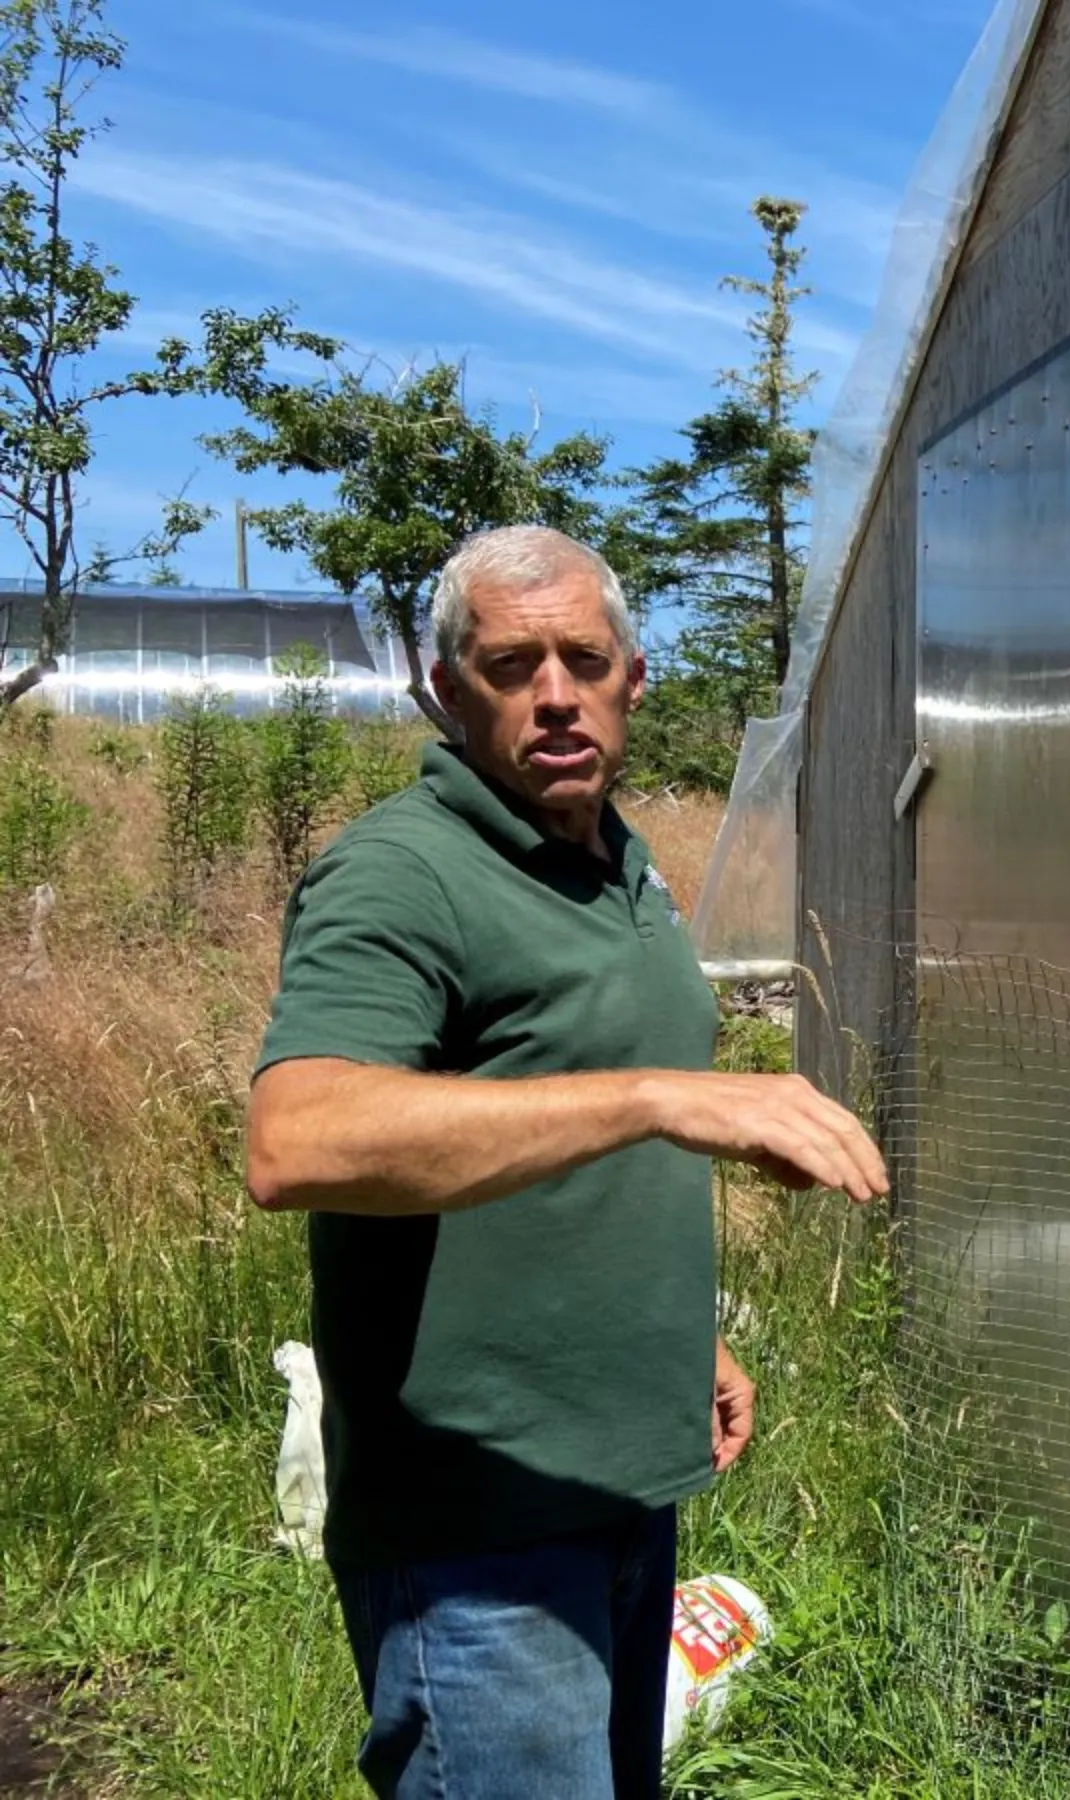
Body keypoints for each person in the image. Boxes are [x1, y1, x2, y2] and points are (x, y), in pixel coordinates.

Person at [244, 524, 888, 1800]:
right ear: (446, 691)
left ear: (632, 680)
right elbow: (296, 1138)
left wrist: (678, 1339)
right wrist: (657, 1097)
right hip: (476, 1535)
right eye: (509, 664)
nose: (553, 694)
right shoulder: (402, 875)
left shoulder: (621, 868)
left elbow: (571, 1143)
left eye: (583, 659)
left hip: (619, 1482)